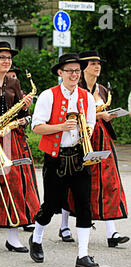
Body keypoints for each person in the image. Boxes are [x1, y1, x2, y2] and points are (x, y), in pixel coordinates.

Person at [30, 53, 99, 267]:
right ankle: (36, 238)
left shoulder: (85, 97)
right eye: (69, 71)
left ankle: (83, 255)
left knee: (84, 205)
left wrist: (85, 131)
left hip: (79, 155)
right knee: (51, 204)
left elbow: (91, 123)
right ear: (60, 73)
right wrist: (61, 126)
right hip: (55, 157)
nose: (74, 75)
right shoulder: (47, 96)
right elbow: (37, 127)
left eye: (77, 71)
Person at [60, 50, 129, 247]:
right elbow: (72, 113)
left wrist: (109, 116)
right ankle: (64, 225)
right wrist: (99, 116)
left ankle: (112, 232)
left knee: (108, 182)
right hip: (81, 137)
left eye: (98, 63)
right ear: (82, 67)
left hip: (102, 137)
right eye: (92, 63)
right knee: (74, 180)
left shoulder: (102, 88)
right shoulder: (75, 87)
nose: (97, 66)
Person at [0, 41, 40, 252]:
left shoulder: (14, 83)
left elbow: (22, 114)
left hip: (13, 137)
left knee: (18, 184)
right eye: (2, 57)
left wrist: (24, 112)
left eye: (9, 58)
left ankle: (13, 235)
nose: (6, 61)